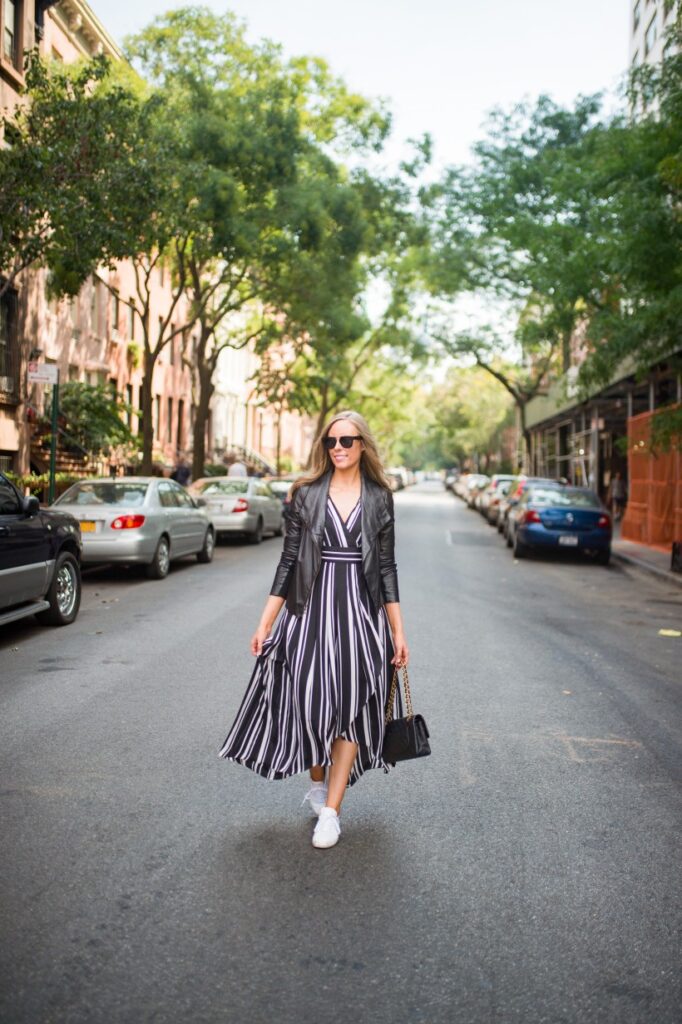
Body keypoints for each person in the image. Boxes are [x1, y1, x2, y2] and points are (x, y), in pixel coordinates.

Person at [218, 410, 409, 849]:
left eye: (347, 441)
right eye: (331, 442)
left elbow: (386, 567)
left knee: (353, 707)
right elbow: (288, 563)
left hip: (362, 616)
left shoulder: (380, 497)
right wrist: (265, 622)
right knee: (313, 703)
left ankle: (331, 811)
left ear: (363, 445)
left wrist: (398, 631)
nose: (338, 448)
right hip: (310, 612)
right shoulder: (305, 493)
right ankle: (319, 781)